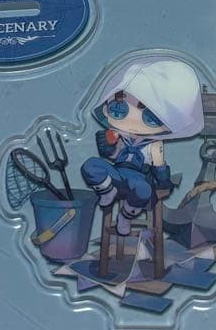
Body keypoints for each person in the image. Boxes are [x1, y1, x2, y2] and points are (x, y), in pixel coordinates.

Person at [80, 55, 205, 236]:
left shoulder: (152, 145)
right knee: (91, 164)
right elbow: (110, 155)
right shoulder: (118, 136)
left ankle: (125, 217)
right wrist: (109, 144)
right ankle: (107, 191)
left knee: (143, 189)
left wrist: (160, 163)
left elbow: (161, 176)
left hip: (137, 179)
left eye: (151, 118)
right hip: (115, 176)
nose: (132, 122)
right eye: (118, 109)